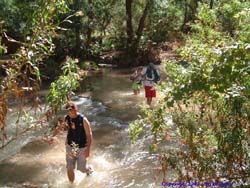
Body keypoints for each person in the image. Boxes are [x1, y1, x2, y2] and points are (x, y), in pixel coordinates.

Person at [49, 101, 93, 183]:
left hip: (82, 146)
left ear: (77, 109)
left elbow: (89, 134)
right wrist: (53, 136)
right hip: (70, 146)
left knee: (82, 169)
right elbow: (59, 128)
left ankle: (89, 170)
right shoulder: (67, 118)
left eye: (74, 112)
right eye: (70, 113)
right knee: (70, 167)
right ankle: (71, 185)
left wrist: (88, 149)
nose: (72, 114)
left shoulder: (83, 120)